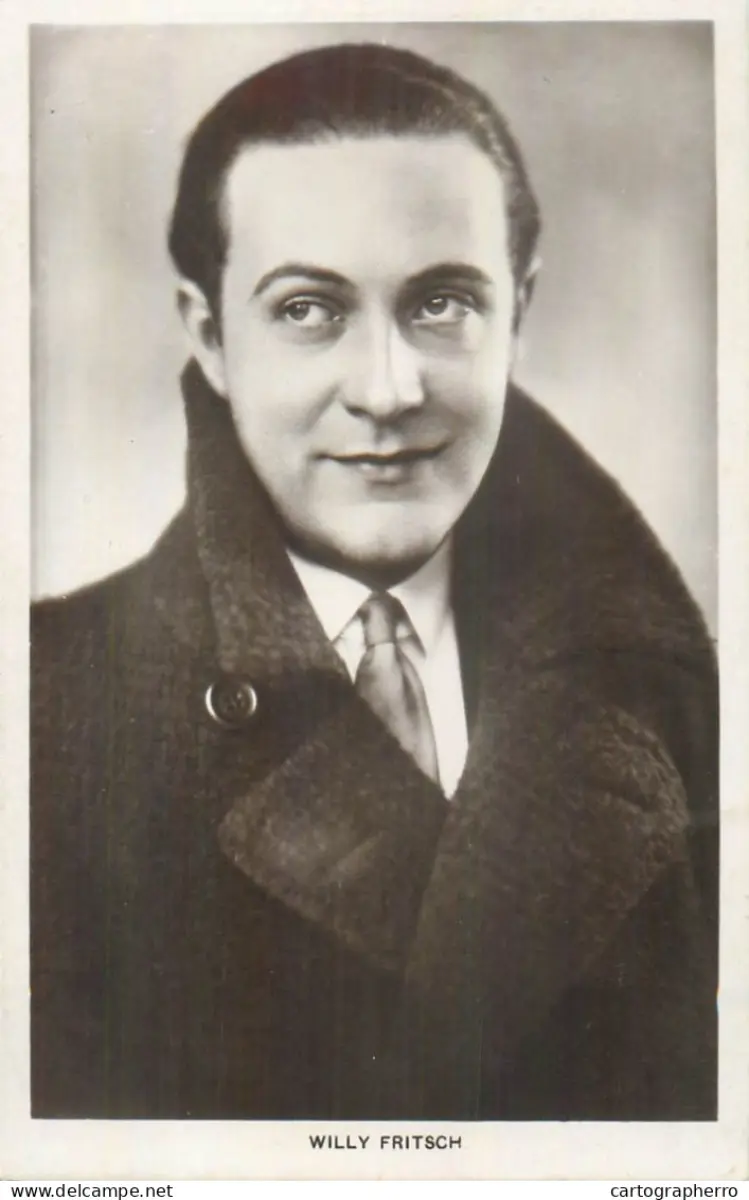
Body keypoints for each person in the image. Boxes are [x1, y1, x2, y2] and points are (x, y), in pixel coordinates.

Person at [31, 41, 718, 1121]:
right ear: (210, 337)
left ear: (518, 313)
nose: (389, 390)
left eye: (441, 303)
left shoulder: (683, 708)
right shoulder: (42, 710)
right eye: (308, 309)